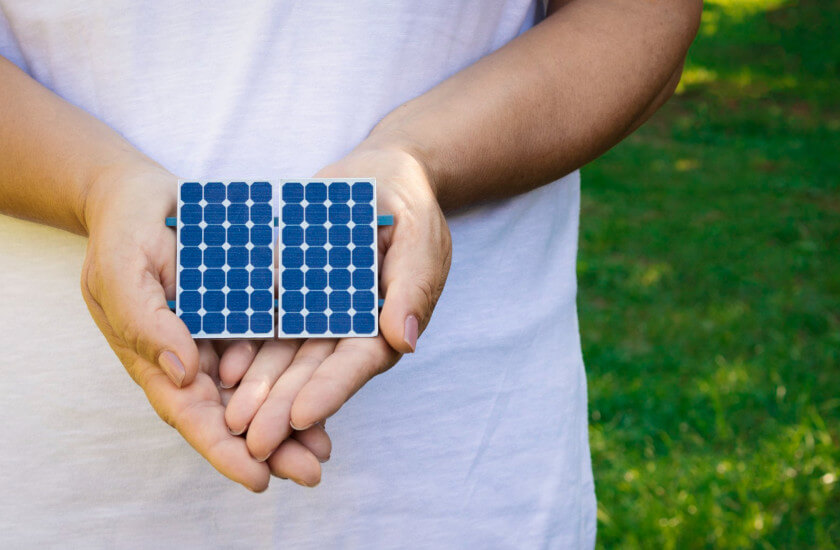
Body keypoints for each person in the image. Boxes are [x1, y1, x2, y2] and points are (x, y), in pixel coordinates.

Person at [0, 1, 700, 547]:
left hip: (466, 464)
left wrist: (418, 160)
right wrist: (96, 185)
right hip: (49, 466)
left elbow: (640, 13)